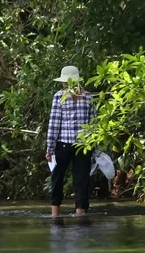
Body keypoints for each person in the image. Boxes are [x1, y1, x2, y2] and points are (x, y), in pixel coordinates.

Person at [45, 66, 95, 217]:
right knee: (82, 180)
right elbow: (93, 124)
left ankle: (55, 214)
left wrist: (49, 148)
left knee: (57, 178)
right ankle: (80, 214)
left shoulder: (59, 96)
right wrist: (95, 147)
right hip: (83, 145)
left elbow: (54, 124)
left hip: (63, 145)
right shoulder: (88, 97)